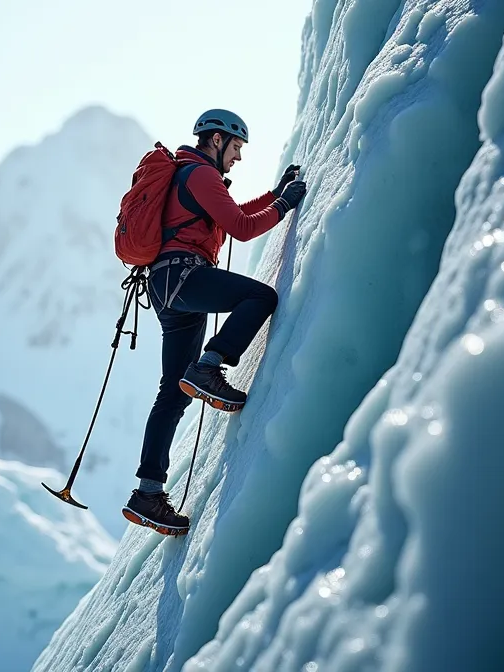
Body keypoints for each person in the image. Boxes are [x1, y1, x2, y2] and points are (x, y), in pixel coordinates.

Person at [120, 109, 307, 536]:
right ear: (216, 140)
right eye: (236, 147)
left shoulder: (190, 175)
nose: (238, 157)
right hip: (185, 276)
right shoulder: (200, 175)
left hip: (167, 286)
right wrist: (285, 204)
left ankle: (147, 493)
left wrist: (274, 195)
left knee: (172, 394)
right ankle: (210, 365)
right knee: (259, 296)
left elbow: (232, 212)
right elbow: (240, 228)